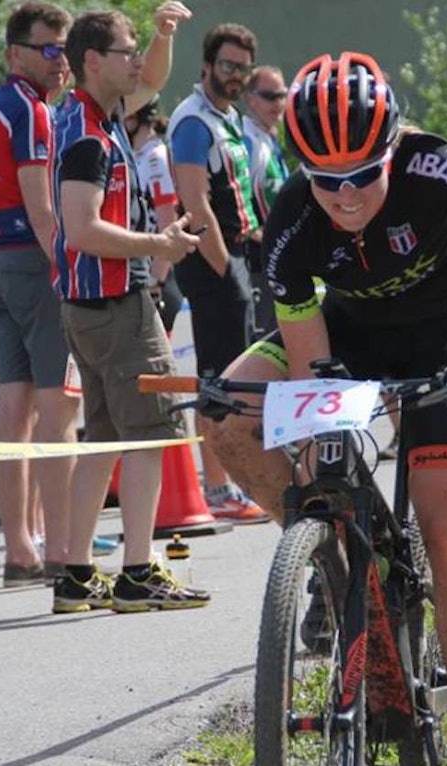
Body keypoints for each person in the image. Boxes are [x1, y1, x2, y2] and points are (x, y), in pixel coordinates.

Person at [207, 52, 447, 766]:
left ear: (390, 149)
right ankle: (335, 561)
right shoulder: (293, 220)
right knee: (228, 421)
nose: (346, 195)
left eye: (363, 174)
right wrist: (324, 475)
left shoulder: (436, 169)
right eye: (326, 180)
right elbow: (310, 366)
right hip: (351, 337)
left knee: (444, 519)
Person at [50, 3, 210, 615]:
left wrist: (165, 34)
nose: (137, 61)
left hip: (92, 306)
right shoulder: (89, 137)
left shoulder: (96, 111)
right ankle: (139, 571)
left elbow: (154, 79)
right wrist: (158, 245)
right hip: (115, 304)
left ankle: (76, 573)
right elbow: (82, 229)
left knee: (104, 439)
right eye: (127, 51)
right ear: (93, 61)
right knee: (152, 433)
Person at [0, 2, 80, 591]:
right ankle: (62, 549)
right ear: (15, 53)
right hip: (36, 264)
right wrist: (71, 273)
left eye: (66, 49)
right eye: (49, 49)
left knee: (13, 410)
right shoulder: (30, 111)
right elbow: (42, 209)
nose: (61, 61)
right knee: (60, 410)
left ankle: (20, 550)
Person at [166, 23, 269, 524]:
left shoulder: (226, 116)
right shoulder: (193, 121)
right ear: (207, 65)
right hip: (212, 261)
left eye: (243, 68)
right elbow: (194, 201)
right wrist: (226, 268)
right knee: (220, 381)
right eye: (227, 65)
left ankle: (234, 480)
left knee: (238, 376)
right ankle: (217, 486)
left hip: (237, 253)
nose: (235, 75)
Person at [124, 98, 183, 332]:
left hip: (159, 277)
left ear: (131, 119)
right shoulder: (138, 155)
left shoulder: (155, 158)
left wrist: (156, 279)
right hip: (144, 269)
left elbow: (168, 219)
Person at [241, 64, 290, 337]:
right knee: (265, 337)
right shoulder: (247, 138)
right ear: (250, 99)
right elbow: (237, 193)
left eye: (282, 95)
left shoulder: (267, 136)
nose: (278, 103)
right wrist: (255, 232)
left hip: (274, 251)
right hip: (256, 259)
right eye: (270, 96)